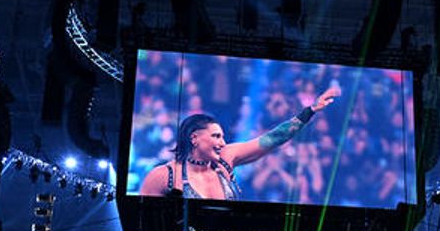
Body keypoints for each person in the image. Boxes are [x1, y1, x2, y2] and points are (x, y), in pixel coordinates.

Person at [138, 84, 340, 200]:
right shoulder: (165, 175)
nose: (223, 143)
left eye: (223, 137)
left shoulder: (226, 158)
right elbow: (141, 223)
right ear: (194, 138)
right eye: (216, 136)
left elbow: (274, 138)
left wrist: (310, 110)